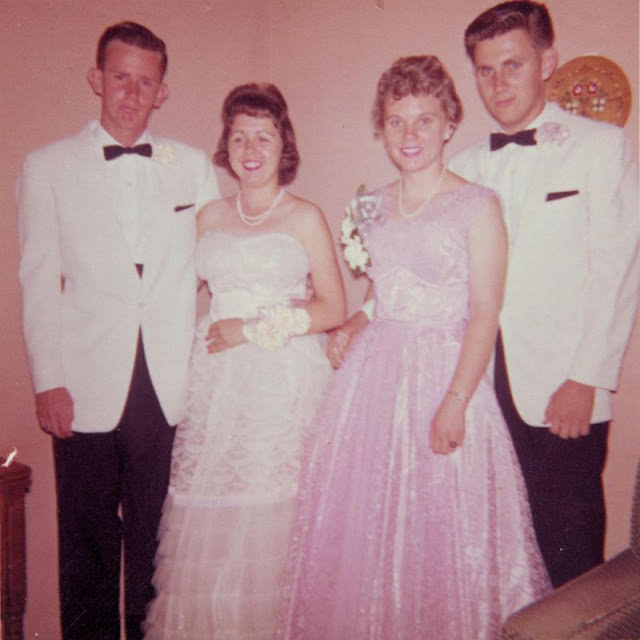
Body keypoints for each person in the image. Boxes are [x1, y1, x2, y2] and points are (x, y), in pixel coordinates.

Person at [278, 55, 550, 640]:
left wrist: (455, 401)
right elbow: (385, 293)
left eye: (424, 120)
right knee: (366, 533)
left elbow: (484, 313)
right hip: (372, 385)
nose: (410, 135)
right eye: (397, 121)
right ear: (381, 127)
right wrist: (353, 322)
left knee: (441, 534)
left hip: (446, 377)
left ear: (449, 124)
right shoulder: (371, 206)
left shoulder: (478, 205)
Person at [17, 21, 220, 640]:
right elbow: (37, 281)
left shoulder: (192, 166)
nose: (131, 94)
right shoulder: (46, 166)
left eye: (146, 82)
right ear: (96, 79)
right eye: (120, 78)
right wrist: (48, 382)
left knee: (161, 542)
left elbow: (215, 269)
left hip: (168, 383)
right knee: (86, 542)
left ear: (162, 92)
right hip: (82, 382)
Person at [143, 83, 346, 639]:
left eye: (264, 135)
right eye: (239, 136)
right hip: (215, 382)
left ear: (285, 145)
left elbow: (332, 307)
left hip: (281, 382)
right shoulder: (206, 217)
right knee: (213, 515)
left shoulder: (305, 217)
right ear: (225, 147)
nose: (250, 147)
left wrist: (253, 331)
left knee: (270, 518)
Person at [449, 1, 639, 588]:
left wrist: (588, 377)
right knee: (493, 554)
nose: (498, 84)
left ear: (547, 61)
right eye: (485, 70)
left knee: (569, 559)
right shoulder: (459, 167)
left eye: (512, 65)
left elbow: (617, 269)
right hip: (481, 387)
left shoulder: (602, 147)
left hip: (563, 387)